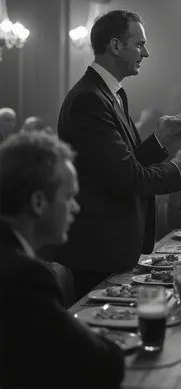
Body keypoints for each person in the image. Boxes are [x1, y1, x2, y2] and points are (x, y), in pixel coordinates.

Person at [58, 10, 181, 299]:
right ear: (115, 46)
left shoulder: (111, 93)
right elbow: (128, 177)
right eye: (139, 44)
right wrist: (176, 168)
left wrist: (161, 137)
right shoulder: (89, 98)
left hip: (112, 246)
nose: (146, 53)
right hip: (98, 250)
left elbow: (123, 162)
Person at [0, 131, 124, 389]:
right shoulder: (25, 276)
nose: (76, 207)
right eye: (69, 197)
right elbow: (102, 364)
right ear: (38, 202)